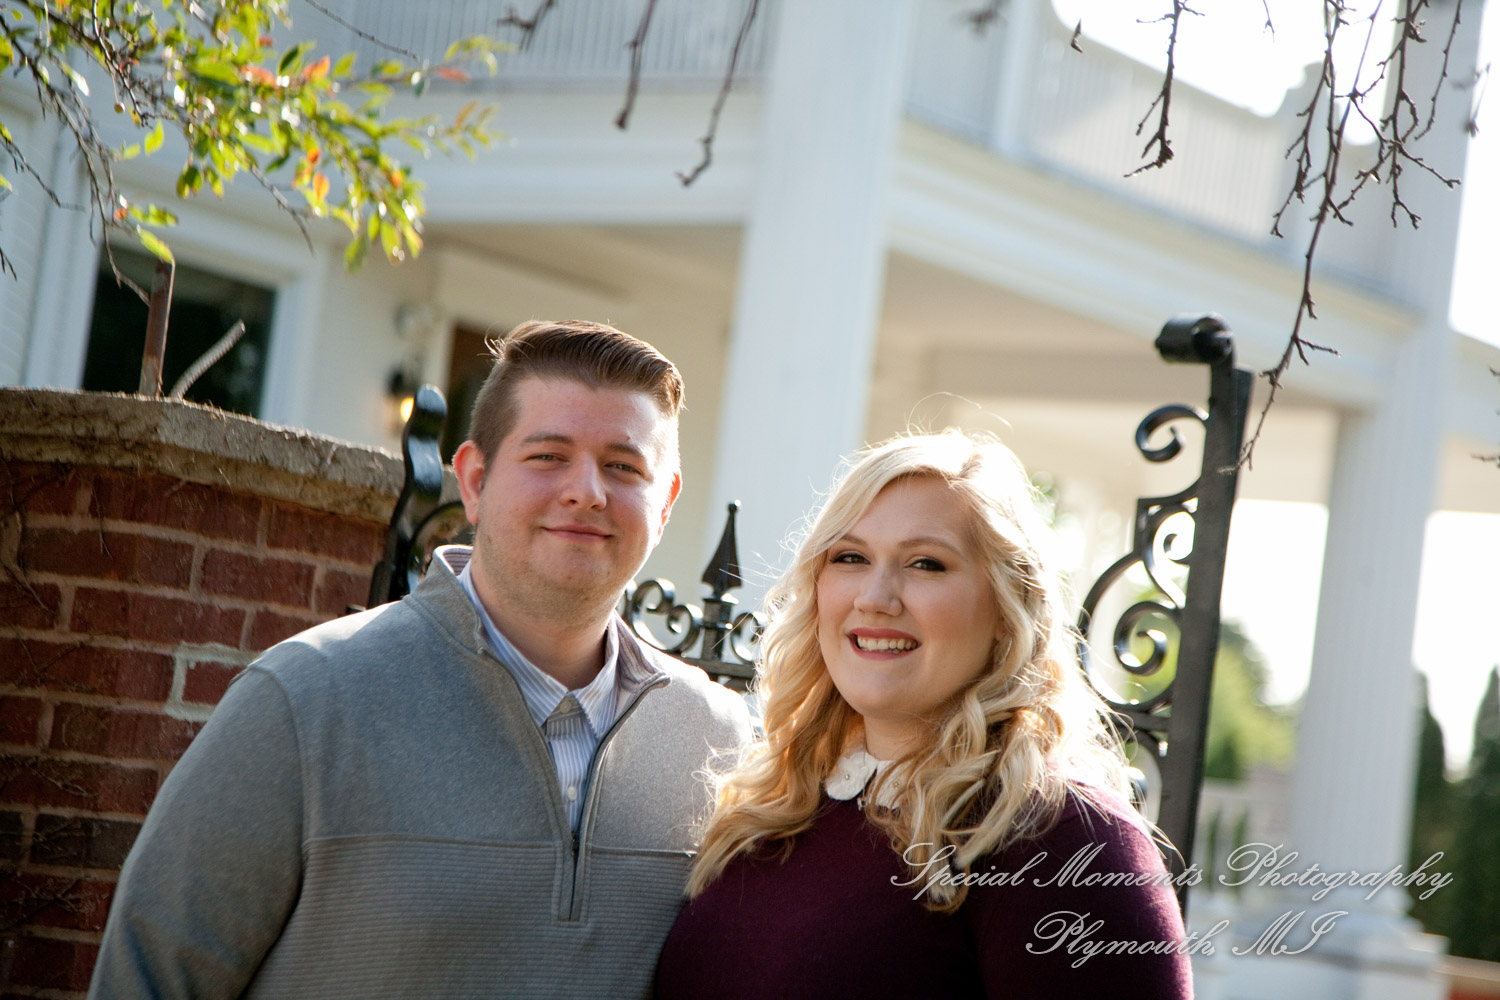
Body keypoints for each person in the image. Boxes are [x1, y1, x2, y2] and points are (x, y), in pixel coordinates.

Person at [89, 320, 753, 1000]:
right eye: (549, 455)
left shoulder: (719, 741)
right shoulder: (303, 702)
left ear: (665, 502)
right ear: (473, 479)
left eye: (624, 465)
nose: (587, 490)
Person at [655, 430, 1193, 1000]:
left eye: (926, 564)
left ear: (1009, 610)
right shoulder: (775, 805)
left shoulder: (1063, 839)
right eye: (851, 557)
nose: (876, 596)